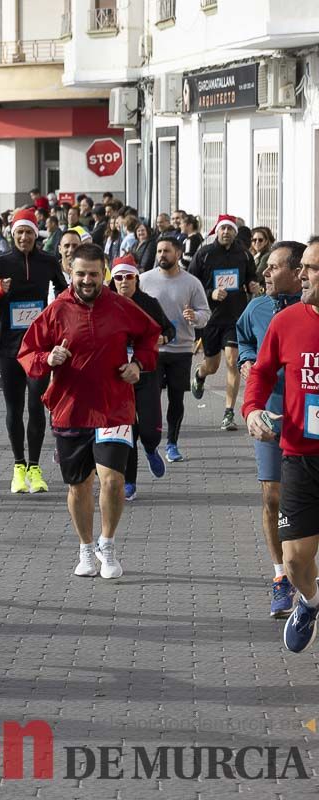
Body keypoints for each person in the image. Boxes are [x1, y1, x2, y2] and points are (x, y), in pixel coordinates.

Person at [17, 243, 161, 579]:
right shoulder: (56, 310)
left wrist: (138, 364)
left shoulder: (121, 307)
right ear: (70, 272)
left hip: (114, 406)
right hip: (71, 408)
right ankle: (85, 548)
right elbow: (28, 350)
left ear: (104, 273)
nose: (86, 280)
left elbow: (150, 335)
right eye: (80, 273)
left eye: (93, 274)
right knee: (79, 486)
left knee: (112, 480)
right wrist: (47, 359)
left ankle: (107, 544)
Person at [244, 240, 319, 654]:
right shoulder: (288, 321)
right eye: (303, 266)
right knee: (294, 562)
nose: (302, 275)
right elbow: (261, 372)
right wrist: (253, 409)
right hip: (301, 456)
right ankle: (309, 602)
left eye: (311, 268)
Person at [0, 207, 68, 494]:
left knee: (36, 407)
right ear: (12, 234)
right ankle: (18, 467)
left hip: (38, 347)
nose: (24, 237)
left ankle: (35, 469)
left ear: (36, 234)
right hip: (8, 348)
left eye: (28, 232)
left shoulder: (48, 261)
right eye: (19, 232)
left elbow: (64, 295)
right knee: (14, 409)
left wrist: (54, 312)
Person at [237, 240, 306, 619]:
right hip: (270, 412)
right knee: (272, 496)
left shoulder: (310, 311)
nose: (265, 272)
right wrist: (248, 359)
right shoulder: (258, 307)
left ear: (298, 272)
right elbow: (245, 337)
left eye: (273, 266)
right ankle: (281, 575)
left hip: (307, 414)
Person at [139, 235, 211, 462]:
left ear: (178, 254)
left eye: (167, 251)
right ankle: (150, 442)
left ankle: (172, 443)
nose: (161, 255)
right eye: (159, 251)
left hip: (181, 350)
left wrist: (195, 317)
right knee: (150, 399)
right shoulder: (143, 280)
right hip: (153, 351)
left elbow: (205, 314)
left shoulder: (191, 282)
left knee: (176, 399)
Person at [107, 258, 175, 501]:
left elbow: (169, 330)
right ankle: (130, 481)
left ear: (137, 278)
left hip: (146, 373)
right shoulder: (106, 303)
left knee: (149, 430)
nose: (124, 281)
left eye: (129, 276)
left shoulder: (149, 303)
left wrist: (161, 340)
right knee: (128, 431)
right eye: (119, 277)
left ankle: (151, 447)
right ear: (112, 281)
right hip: (118, 377)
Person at [189, 214, 259, 431]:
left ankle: (228, 413)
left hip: (234, 317)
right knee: (212, 365)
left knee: (232, 360)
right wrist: (211, 293)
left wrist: (253, 285)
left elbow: (251, 277)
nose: (226, 232)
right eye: (222, 229)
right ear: (217, 231)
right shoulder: (204, 253)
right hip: (211, 318)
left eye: (230, 229)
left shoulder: (244, 255)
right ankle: (200, 375)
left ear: (235, 233)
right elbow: (192, 282)